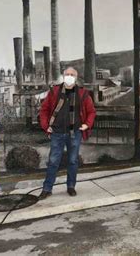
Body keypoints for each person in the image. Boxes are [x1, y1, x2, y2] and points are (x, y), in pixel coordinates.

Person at [38, 67, 96, 199]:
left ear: (76, 78)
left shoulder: (83, 93)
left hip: (74, 133)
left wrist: (87, 124)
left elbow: (91, 111)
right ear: (63, 76)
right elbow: (44, 110)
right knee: (53, 161)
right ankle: (47, 189)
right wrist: (46, 126)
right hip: (57, 133)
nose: (69, 76)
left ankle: (71, 186)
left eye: (72, 75)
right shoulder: (54, 91)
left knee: (72, 161)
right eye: (67, 74)